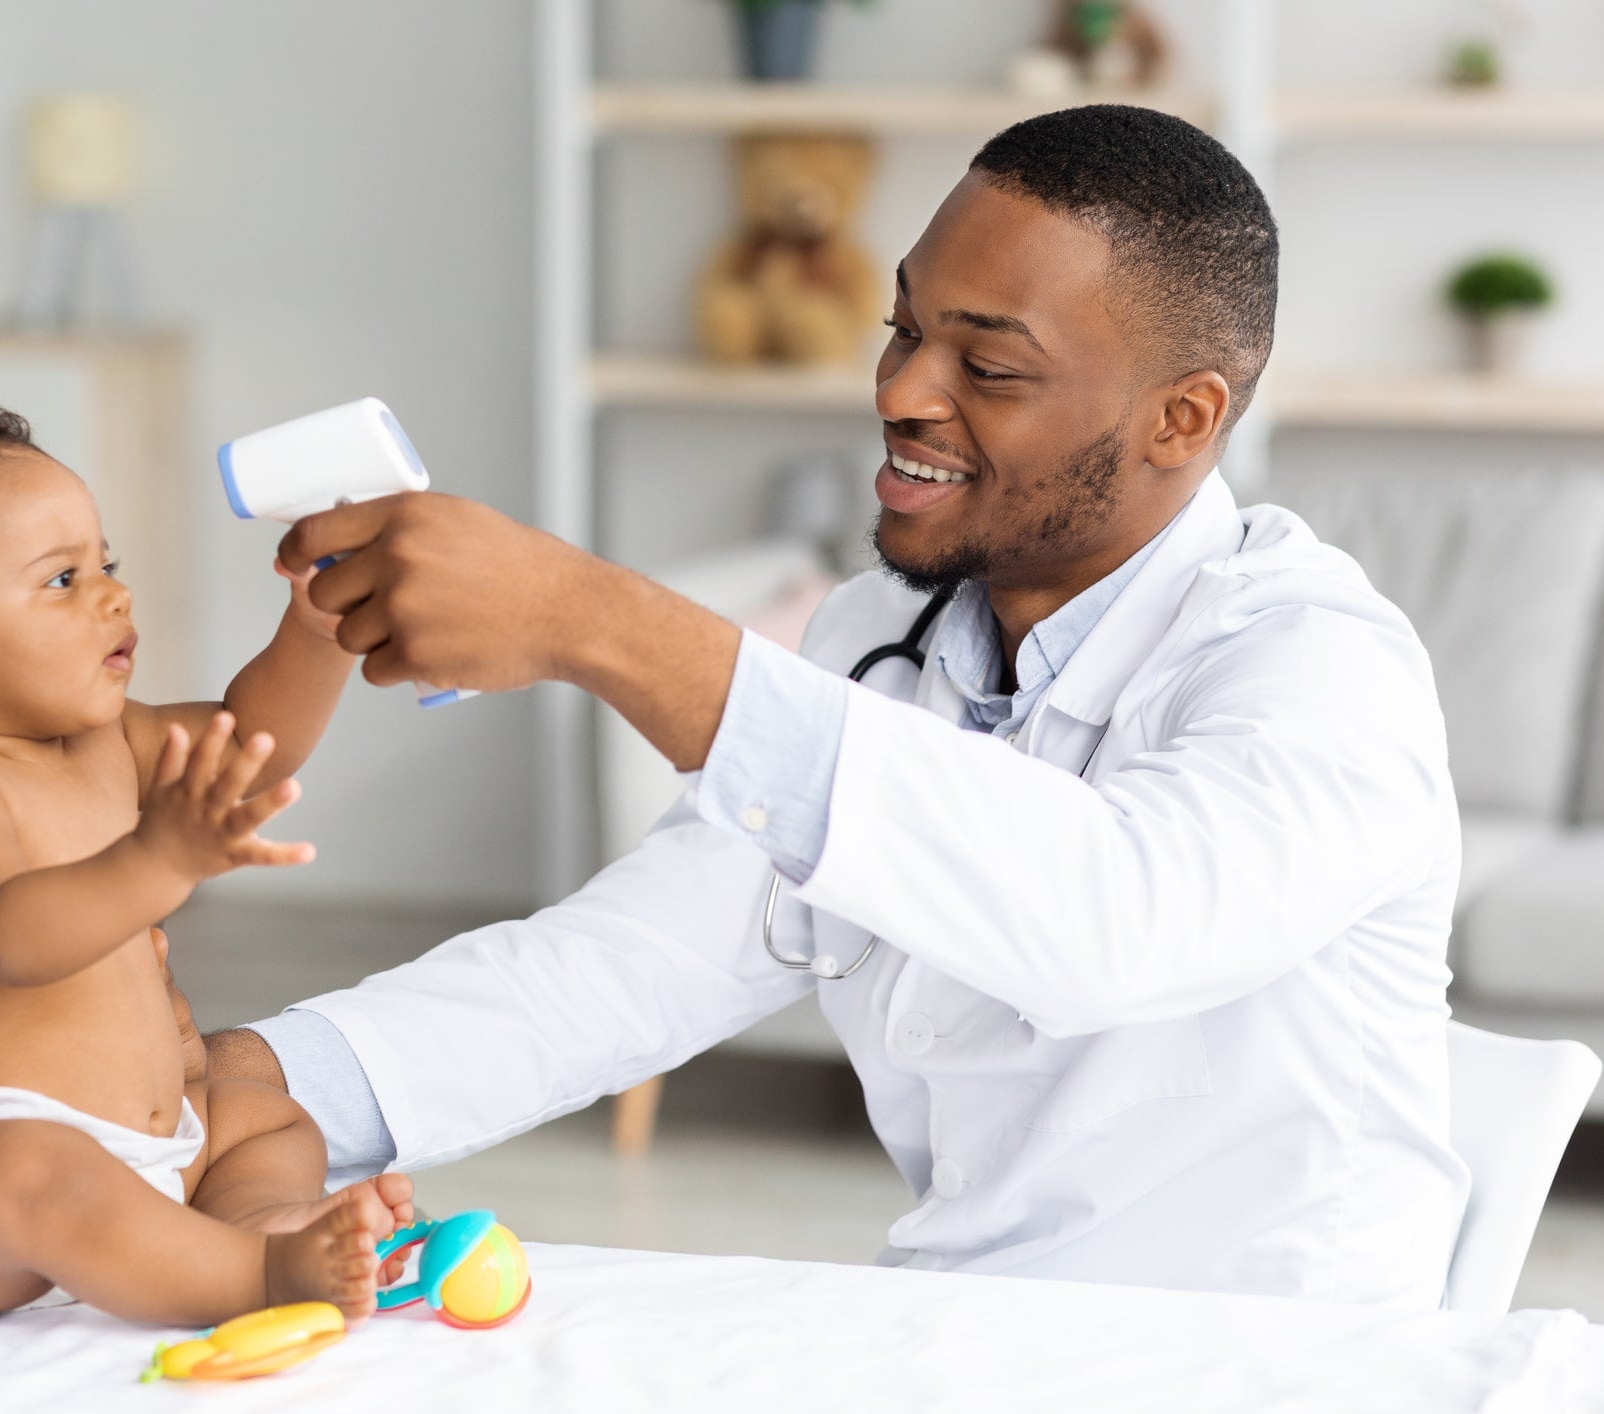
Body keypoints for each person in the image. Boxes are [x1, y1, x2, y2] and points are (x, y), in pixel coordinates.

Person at [208, 105, 1472, 1305]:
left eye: (987, 363)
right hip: (964, 1331)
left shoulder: (1318, 664)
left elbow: (1111, 922)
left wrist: (597, 622)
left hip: (1269, 1363)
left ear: (1181, 418)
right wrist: (264, 1081)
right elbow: (644, 955)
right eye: (902, 326)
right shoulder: (886, 637)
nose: (902, 390)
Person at [0, 408, 412, 1325]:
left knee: (262, 1114)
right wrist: (157, 858)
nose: (114, 597)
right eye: (62, 578)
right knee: (24, 1167)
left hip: (139, 1161)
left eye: (107, 565)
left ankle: (254, 1222)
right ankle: (253, 1281)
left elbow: (247, 745)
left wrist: (314, 630)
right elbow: (2, 935)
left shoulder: (110, 738)